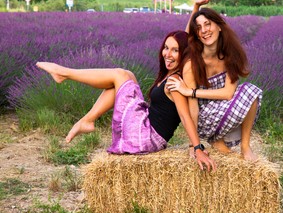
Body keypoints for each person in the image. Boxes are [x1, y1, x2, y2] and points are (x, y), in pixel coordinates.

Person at [36, 30, 216, 171]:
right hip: (146, 129)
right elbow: (185, 36)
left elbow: (185, 116)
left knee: (120, 75)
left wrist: (197, 147)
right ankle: (87, 120)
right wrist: (195, 7)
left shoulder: (175, 81)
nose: (168, 54)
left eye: (175, 50)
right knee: (126, 77)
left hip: (146, 137)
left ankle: (65, 73)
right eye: (166, 47)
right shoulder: (170, 75)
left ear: (184, 53)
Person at [167, 0, 262, 161]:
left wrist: (191, 91)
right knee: (248, 92)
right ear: (196, 34)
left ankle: (245, 147)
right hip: (203, 119)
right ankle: (215, 139)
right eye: (199, 28)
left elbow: (227, 93)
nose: (204, 30)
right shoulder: (193, 61)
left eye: (208, 24)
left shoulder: (229, 56)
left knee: (251, 92)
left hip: (221, 107)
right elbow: (193, 107)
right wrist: (193, 146)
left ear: (219, 26)